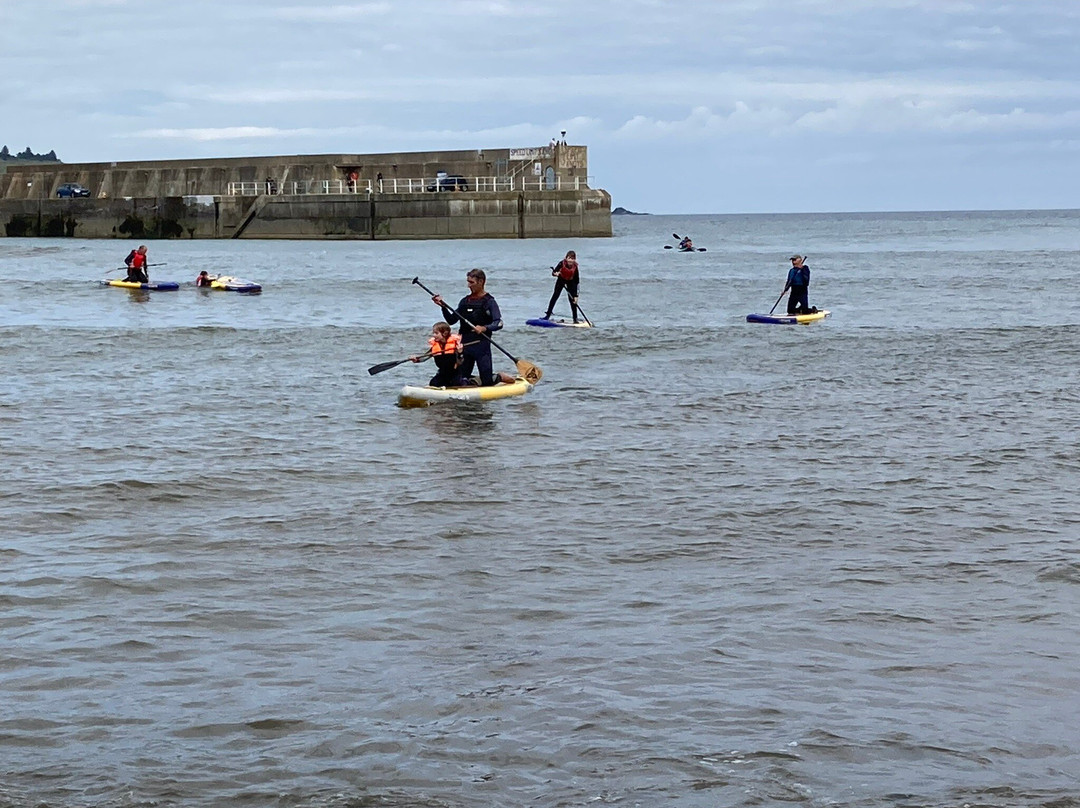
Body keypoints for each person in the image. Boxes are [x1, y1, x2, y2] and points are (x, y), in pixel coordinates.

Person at [430, 268, 516, 386]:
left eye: (471, 282)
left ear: (481, 282)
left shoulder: (489, 301)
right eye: (468, 282)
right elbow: (451, 321)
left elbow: (499, 323)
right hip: (464, 345)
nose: (468, 285)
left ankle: (498, 377)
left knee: (487, 382)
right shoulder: (465, 301)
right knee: (461, 379)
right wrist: (443, 306)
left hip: (481, 345)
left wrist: (484, 328)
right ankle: (473, 382)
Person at [410, 322, 466, 387]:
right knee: (433, 383)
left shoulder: (455, 346)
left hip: (454, 373)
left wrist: (460, 353)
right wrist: (416, 359)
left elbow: (460, 362)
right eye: (433, 333)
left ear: (445, 333)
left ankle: (466, 381)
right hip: (443, 373)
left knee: (456, 383)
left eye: (436, 333)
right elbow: (424, 357)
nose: (434, 335)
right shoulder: (435, 347)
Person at [544, 249, 581, 322]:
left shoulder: (575, 267)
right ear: (566, 258)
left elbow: (577, 281)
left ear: (575, 260)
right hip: (561, 280)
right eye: (569, 258)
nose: (571, 260)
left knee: (572, 300)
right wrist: (555, 274)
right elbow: (554, 273)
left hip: (571, 282)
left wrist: (576, 296)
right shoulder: (561, 263)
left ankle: (575, 319)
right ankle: (548, 315)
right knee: (555, 296)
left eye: (573, 259)